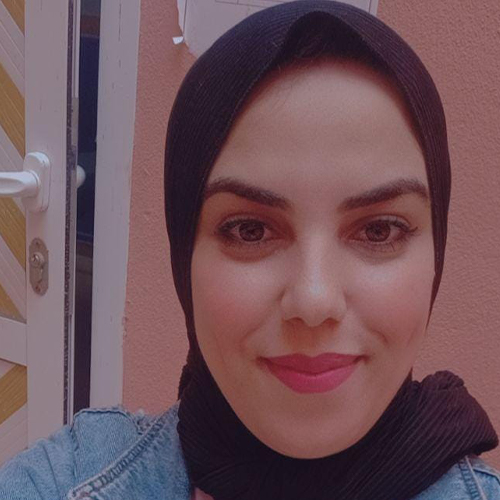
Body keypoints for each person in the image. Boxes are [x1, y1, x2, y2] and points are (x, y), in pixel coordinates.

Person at [0, 1, 499, 499]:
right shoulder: (61, 482)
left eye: (379, 231)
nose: (314, 301)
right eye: (251, 230)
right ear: (184, 257)